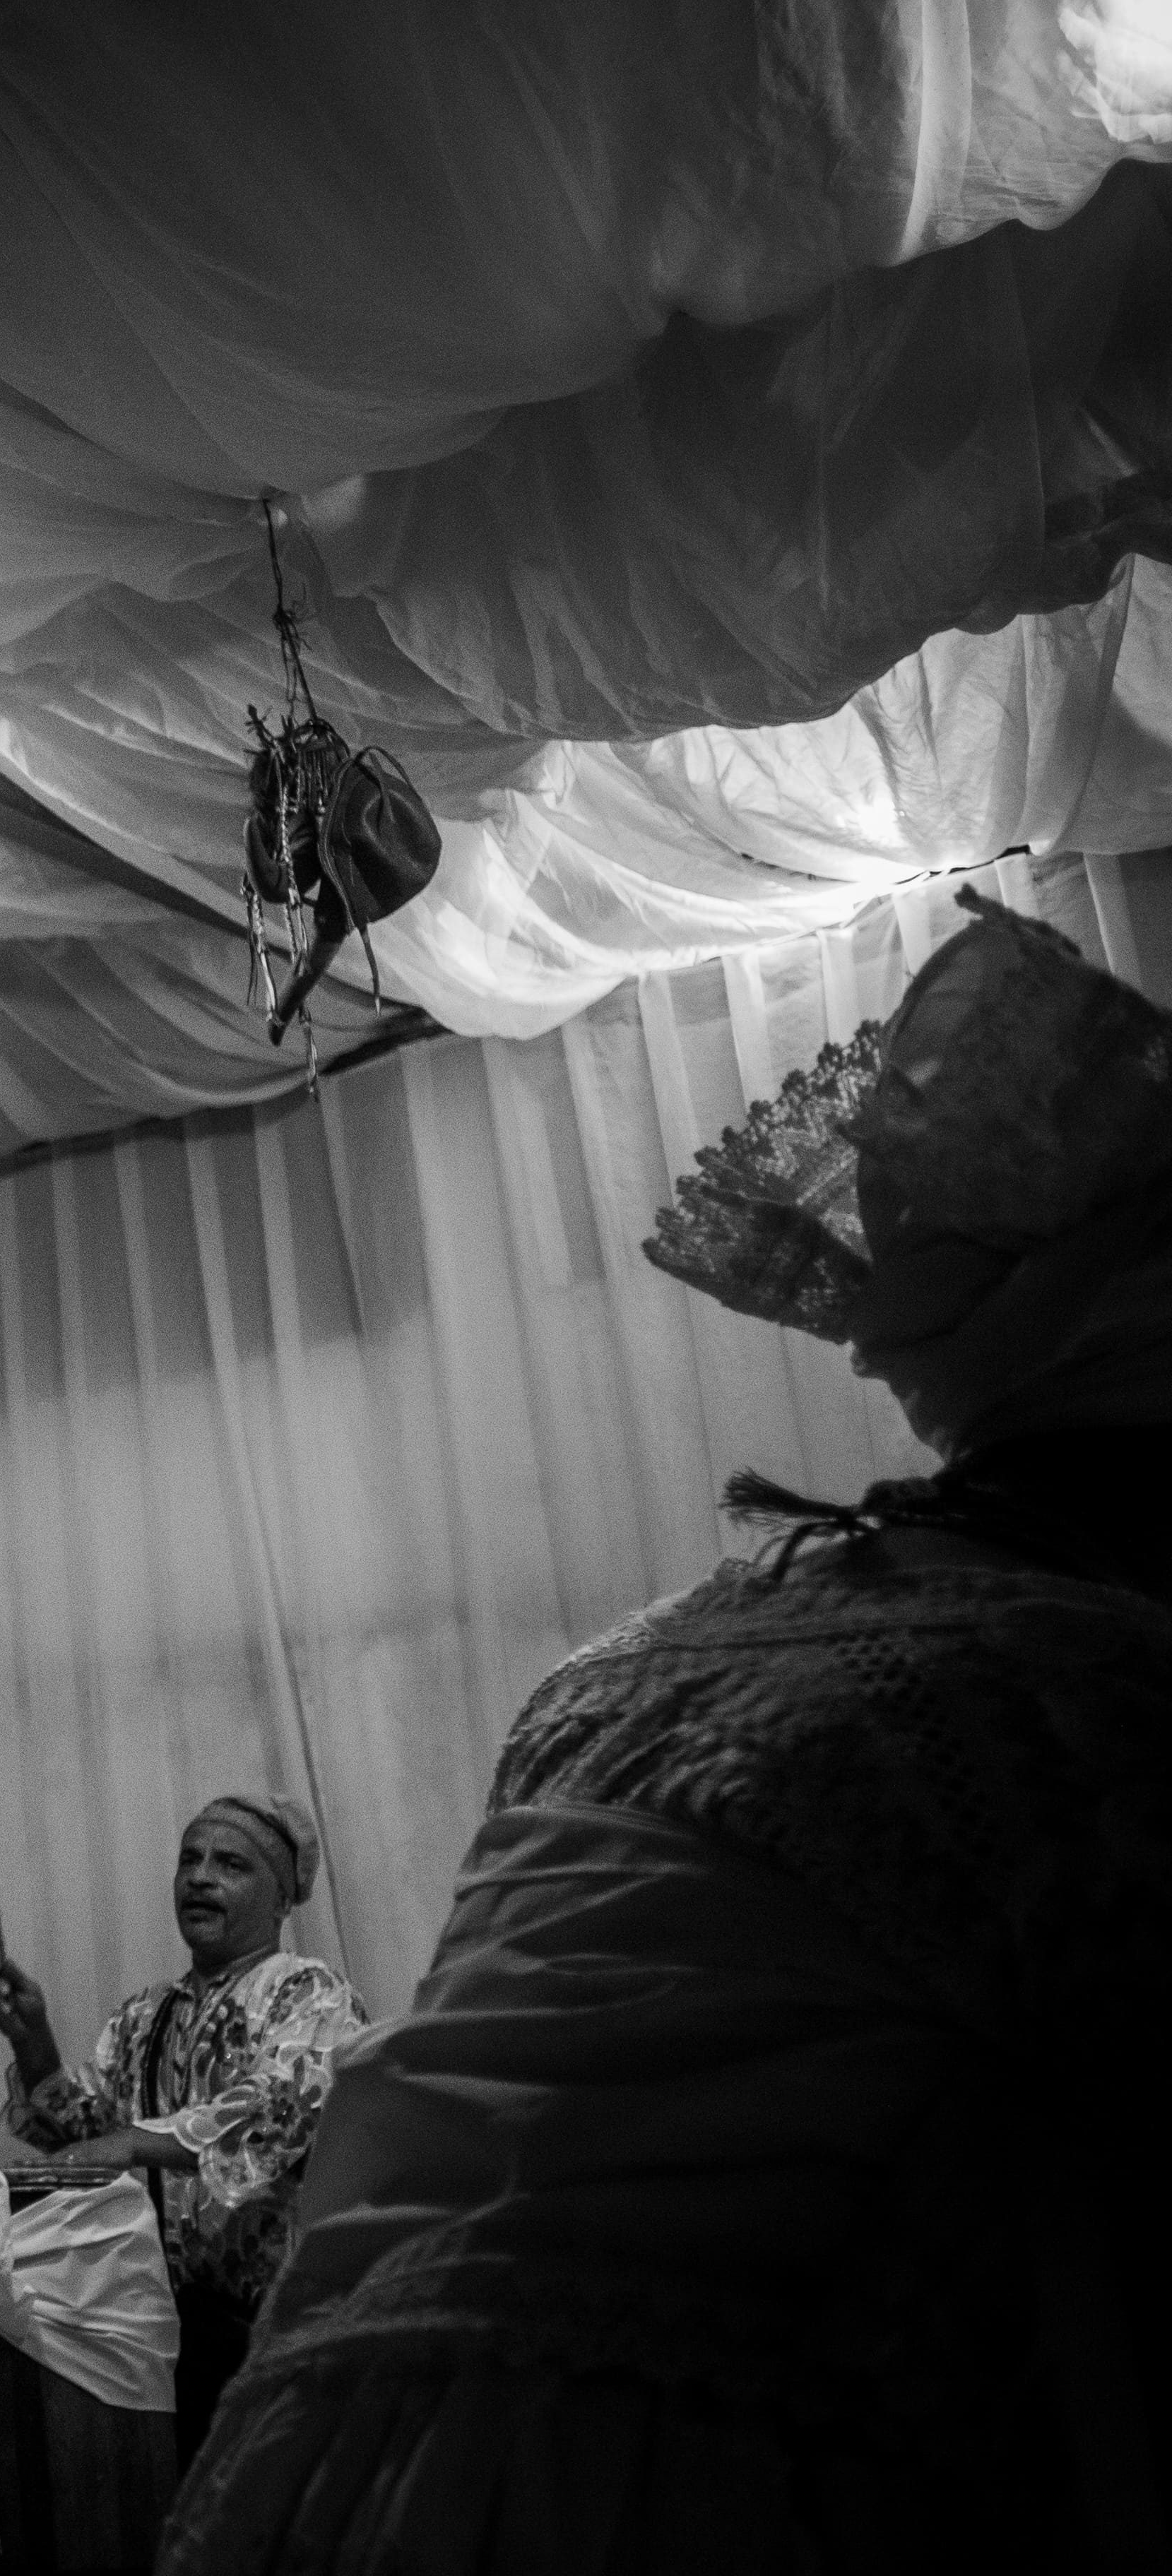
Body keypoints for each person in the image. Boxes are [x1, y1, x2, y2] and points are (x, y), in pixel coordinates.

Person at [170, 894, 1172, 2572]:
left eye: (224, 1855)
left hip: (331, 2488)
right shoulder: (1091, 1698)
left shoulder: (618, 1674)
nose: (198, 1879)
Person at [0, 1794, 357, 2457]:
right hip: (161, 2337)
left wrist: (131, 2142)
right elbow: (87, 2139)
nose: (201, 1877)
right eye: (190, 1860)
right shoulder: (144, 2016)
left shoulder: (309, 1991)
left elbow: (280, 2109)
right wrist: (33, 2043)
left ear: (281, 1900)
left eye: (231, 1864)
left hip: (278, 2334)